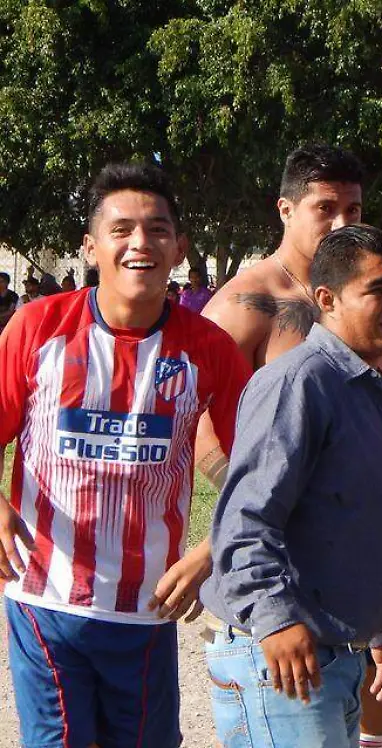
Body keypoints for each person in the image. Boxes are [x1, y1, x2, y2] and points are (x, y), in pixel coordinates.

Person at [0, 162, 250, 748]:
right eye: (121, 229)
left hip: (147, 609)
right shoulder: (37, 328)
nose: (141, 243)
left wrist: (211, 551)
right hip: (46, 600)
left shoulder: (209, 348)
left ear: (180, 247)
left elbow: (258, 472)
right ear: (91, 246)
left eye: (158, 229)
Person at [194, 143, 382, 747]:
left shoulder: (368, 349)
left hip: (341, 641)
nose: (341, 222)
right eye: (326, 207)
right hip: (283, 633)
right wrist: (251, 513)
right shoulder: (253, 316)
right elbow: (231, 474)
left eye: (353, 208)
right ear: (286, 208)